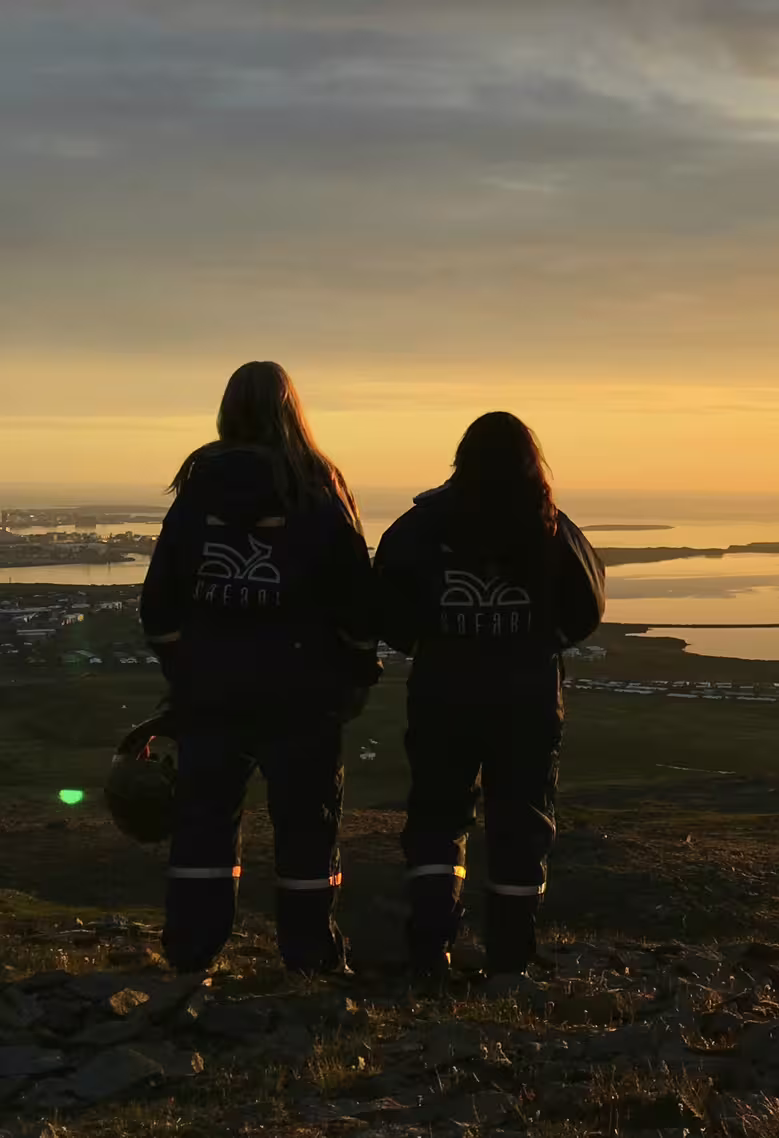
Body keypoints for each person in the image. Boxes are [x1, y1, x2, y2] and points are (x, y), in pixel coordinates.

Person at [140, 361, 379, 976]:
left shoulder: (197, 491)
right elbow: (356, 595)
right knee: (307, 825)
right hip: (304, 695)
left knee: (204, 822)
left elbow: (159, 602)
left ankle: (193, 954)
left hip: (211, 693)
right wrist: (355, 671)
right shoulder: (319, 489)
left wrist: (184, 668)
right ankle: (310, 955)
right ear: (291, 411)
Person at [374, 412, 605, 985]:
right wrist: (538, 643)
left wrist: (431, 643)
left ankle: (430, 951)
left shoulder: (422, 525)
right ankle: (511, 956)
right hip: (526, 697)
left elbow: (382, 601)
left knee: (436, 819)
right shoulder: (551, 526)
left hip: (443, 693)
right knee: (522, 820)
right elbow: (588, 604)